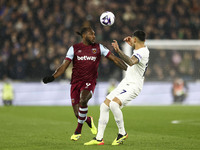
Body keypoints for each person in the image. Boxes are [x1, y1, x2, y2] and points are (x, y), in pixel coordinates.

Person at [42, 26, 127, 141]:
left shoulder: (99, 47)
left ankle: (78, 131)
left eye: (94, 34)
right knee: (78, 114)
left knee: (83, 100)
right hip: (75, 83)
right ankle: (88, 120)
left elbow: (114, 59)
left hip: (89, 82)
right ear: (84, 35)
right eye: (91, 34)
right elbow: (64, 66)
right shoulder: (74, 48)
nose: (94, 36)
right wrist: (53, 77)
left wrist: (127, 68)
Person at [84, 30, 149, 145]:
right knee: (104, 106)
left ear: (135, 39)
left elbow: (130, 62)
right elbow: (134, 55)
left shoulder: (143, 52)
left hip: (134, 86)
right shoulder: (139, 49)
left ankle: (122, 133)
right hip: (126, 83)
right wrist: (132, 44)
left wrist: (119, 51)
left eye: (132, 39)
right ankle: (99, 138)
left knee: (114, 104)